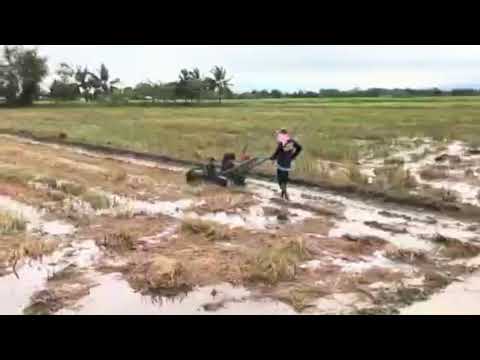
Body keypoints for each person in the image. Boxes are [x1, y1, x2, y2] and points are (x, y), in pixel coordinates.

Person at [270, 128, 302, 200]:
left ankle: (286, 194)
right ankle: (282, 194)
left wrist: (272, 157)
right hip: (287, 164)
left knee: (280, 180)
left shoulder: (281, 142)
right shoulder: (291, 141)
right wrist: (293, 156)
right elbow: (300, 148)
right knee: (284, 179)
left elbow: (277, 151)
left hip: (281, 163)